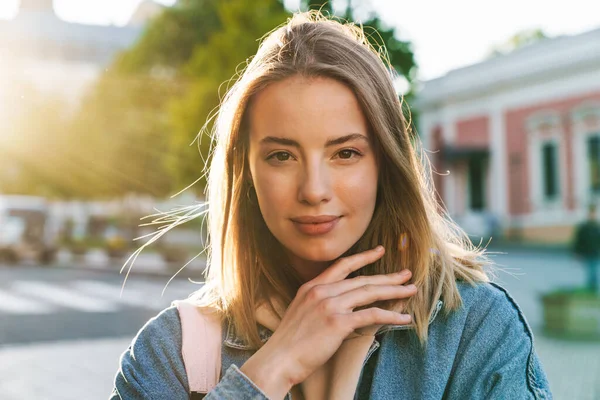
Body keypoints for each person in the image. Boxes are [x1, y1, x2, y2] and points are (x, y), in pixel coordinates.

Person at [110, 11, 552, 399]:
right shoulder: (172, 352)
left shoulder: (472, 331)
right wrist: (270, 369)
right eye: (281, 156)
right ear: (246, 172)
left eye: (345, 154)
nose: (314, 190)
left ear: (386, 163)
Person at [572, 204, 600, 294]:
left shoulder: (596, 227)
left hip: (596, 252)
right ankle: (592, 289)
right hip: (588, 252)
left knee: (593, 271)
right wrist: (577, 253)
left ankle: (593, 289)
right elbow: (579, 241)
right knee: (591, 271)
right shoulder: (584, 227)